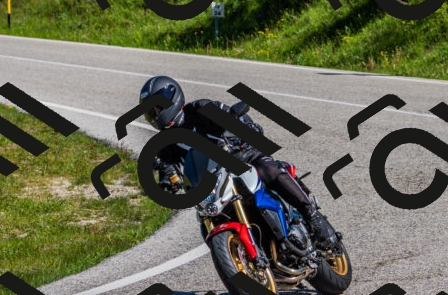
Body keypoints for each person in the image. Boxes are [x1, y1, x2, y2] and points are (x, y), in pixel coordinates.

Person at [139, 75, 338, 249]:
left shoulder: (199, 109)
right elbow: (166, 163)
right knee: (206, 223)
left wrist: (244, 127)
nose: (155, 115)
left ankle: (313, 216)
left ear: (172, 100)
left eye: (157, 109)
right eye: (150, 112)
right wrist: (167, 177)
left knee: (268, 169)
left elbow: (230, 116)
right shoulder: (166, 143)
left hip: (243, 156)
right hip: (214, 185)